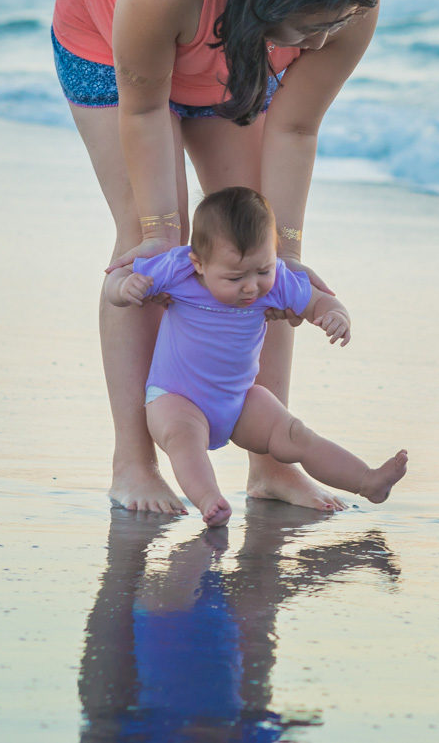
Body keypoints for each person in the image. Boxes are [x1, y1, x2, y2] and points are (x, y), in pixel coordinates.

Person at [51, 0, 380, 514]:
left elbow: (295, 128)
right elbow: (145, 107)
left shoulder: (349, 1)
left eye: (330, 28)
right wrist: (158, 228)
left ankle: (272, 465)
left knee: (260, 260)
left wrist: (286, 253)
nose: (319, 45)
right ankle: (135, 463)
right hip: (107, 44)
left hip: (236, 51)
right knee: (153, 253)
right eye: (309, 31)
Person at [103, 187, 408, 527]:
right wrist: (123, 288)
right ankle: (209, 501)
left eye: (262, 271)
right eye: (235, 277)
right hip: (175, 398)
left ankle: (368, 481)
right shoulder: (178, 271)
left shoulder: (275, 280)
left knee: (295, 434)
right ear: (199, 263)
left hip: (239, 401)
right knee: (184, 440)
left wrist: (336, 314)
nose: (251, 287)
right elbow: (116, 277)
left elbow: (319, 300)